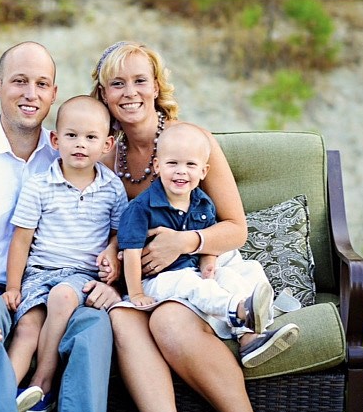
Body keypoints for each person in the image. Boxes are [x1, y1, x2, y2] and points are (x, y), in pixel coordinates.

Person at [0, 41, 121, 412]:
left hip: (60, 286)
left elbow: (120, 199)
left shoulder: (71, 153)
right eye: (19, 81)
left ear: (53, 94)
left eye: (42, 84)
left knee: (95, 324)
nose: (31, 94)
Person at [90, 40, 276, 412]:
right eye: (117, 84)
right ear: (104, 95)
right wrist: (111, 252)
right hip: (145, 279)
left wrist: (184, 242)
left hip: (203, 269)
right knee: (122, 319)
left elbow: (236, 228)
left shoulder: (190, 142)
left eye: (140, 80)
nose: (130, 93)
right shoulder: (106, 155)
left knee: (169, 319)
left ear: (156, 86)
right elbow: (112, 226)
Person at [116, 122, 299, 368]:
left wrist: (209, 262)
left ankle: (250, 338)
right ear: (158, 166)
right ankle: (238, 310)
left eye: (190, 165)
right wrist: (136, 292)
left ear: (204, 171)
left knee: (241, 273)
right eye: (173, 164)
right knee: (191, 284)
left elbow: (207, 240)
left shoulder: (202, 202)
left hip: (192, 268)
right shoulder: (140, 208)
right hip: (158, 280)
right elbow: (130, 253)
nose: (181, 172)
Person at [4, 95, 128, 412]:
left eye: (90, 137)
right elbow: (21, 240)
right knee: (28, 328)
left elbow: (119, 235)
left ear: (107, 144)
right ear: (56, 140)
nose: (80, 145)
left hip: (81, 277)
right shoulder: (39, 185)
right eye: (71, 136)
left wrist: (112, 255)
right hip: (40, 273)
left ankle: (42, 383)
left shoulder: (112, 188)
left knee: (61, 296)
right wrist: (14, 287)